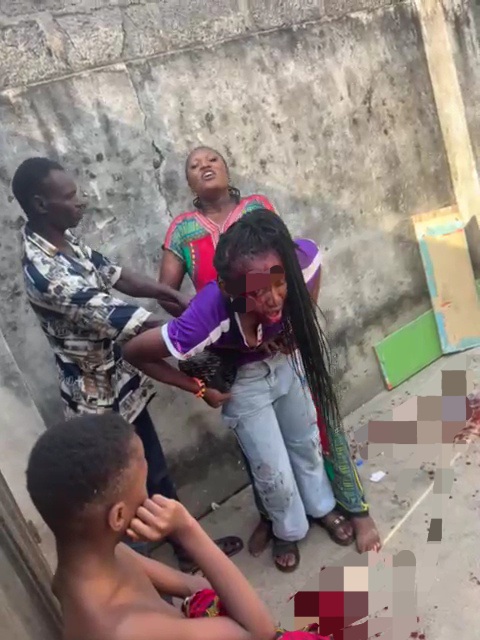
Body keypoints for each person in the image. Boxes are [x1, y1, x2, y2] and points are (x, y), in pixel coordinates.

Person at [12, 156, 242, 569]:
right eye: (70, 196)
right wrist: (201, 327)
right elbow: (129, 322)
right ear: (41, 204)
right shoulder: (47, 274)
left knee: (155, 475)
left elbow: (116, 275)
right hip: (96, 406)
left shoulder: (64, 239)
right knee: (123, 507)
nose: (81, 201)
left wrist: (172, 295)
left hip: (122, 384)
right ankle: (151, 590)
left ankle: (190, 554)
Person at [124, 208, 379, 572]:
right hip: (244, 383)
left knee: (305, 443)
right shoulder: (207, 315)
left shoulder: (297, 263)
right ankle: (287, 529)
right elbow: (134, 352)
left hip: (286, 365)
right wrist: (199, 389)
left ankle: (322, 508)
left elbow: (313, 262)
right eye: (257, 292)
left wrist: (294, 328)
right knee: (272, 470)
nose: (273, 299)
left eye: (279, 284)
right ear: (230, 290)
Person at [26, 413, 331, 640]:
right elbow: (260, 633)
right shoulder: (122, 630)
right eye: (143, 484)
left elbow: (196, 587)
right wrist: (187, 529)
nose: (150, 492)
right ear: (118, 517)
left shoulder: (95, 561)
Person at [159, 146, 277, 558]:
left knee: (303, 434)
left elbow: (286, 262)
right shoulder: (182, 230)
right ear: (189, 183)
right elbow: (165, 292)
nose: (204, 166)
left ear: (227, 169)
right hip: (233, 355)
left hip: (277, 337)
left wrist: (277, 324)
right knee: (258, 450)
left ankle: (322, 505)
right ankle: (273, 519)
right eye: (194, 165)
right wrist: (207, 321)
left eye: (212, 160)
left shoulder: (257, 208)